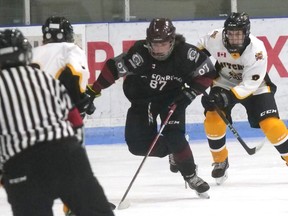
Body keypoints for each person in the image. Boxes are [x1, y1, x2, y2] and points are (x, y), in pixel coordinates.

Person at [86, 18, 217, 197]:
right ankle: (174, 150)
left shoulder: (186, 54)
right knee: (137, 146)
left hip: (173, 100)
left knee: (175, 136)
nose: (158, 49)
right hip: (142, 101)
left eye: (163, 44)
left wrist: (191, 93)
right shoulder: (139, 53)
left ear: (172, 41)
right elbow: (113, 69)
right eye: (154, 44)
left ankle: (190, 174)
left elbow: (208, 72)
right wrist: (94, 90)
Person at [0, 28, 114, 216]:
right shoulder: (44, 78)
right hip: (65, 153)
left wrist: (7, 175)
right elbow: (75, 119)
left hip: (21, 163)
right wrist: (77, 156)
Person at [197, 12, 288, 185]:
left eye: (238, 33)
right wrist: (197, 76)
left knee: (272, 125)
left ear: (246, 33)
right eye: (230, 33)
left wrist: (226, 97)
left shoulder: (257, 50)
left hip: (255, 86)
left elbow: (249, 85)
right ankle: (220, 160)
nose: (234, 38)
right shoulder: (214, 37)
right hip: (223, 82)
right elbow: (196, 52)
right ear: (225, 32)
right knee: (212, 119)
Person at [31, 16, 95, 118]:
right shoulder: (70, 49)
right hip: (57, 113)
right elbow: (74, 75)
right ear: (66, 34)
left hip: (29, 112)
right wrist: (82, 103)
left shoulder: (32, 53)